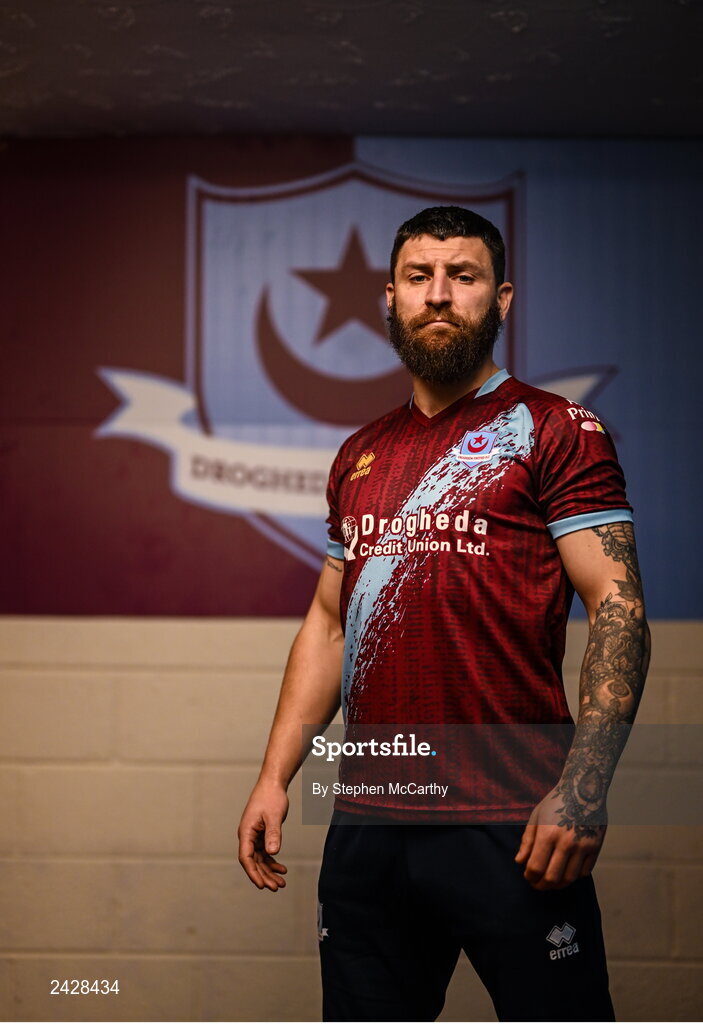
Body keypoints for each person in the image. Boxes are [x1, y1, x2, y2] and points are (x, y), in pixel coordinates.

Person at [238, 206, 650, 1022]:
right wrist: (273, 775)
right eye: (418, 278)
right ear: (388, 298)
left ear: (499, 301)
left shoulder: (556, 429)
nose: (437, 296)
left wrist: (583, 788)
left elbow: (617, 605)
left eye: (460, 278)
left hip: (512, 818)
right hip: (370, 821)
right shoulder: (361, 453)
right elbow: (327, 623)